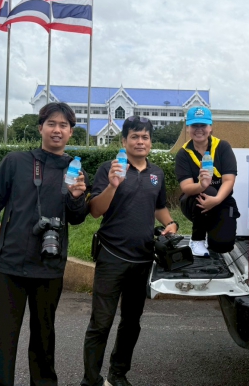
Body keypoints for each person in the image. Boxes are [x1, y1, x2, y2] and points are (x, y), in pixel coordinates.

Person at [0, 102, 89, 386]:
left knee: (44, 336)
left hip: (49, 264)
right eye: (51, 124)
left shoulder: (74, 169)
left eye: (63, 125)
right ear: (40, 128)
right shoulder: (15, 162)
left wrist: (76, 197)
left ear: (71, 132)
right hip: (10, 262)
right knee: (3, 335)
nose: (57, 130)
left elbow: (76, 219)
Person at [81, 116, 178, 386]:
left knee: (132, 321)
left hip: (143, 258)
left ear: (151, 142)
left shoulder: (157, 173)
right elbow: (95, 210)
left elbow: (158, 206)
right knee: (101, 322)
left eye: (145, 137)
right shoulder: (109, 168)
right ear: (124, 141)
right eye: (134, 136)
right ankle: (91, 380)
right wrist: (113, 184)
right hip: (111, 256)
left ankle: (118, 374)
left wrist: (170, 223)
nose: (140, 141)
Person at [175, 106, 239, 257]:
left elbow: (229, 180)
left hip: (221, 200)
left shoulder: (223, 147)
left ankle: (212, 231)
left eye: (203, 125)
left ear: (210, 127)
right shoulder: (183, 154)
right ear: (188, 128)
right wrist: (201, 185)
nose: (199, 129)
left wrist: (216, 200)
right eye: (194, 125)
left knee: (222, 245)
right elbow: (186, 187)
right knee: (208, 190)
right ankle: (197, 240)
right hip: (194, 202)